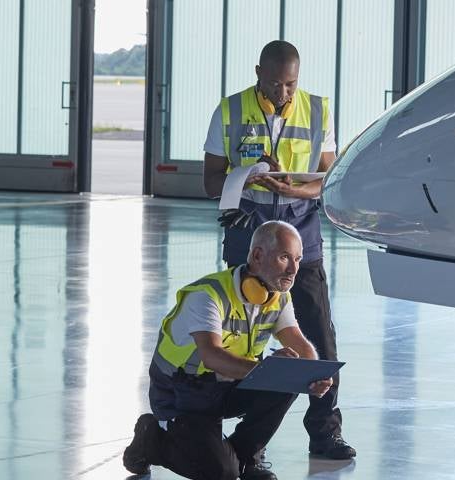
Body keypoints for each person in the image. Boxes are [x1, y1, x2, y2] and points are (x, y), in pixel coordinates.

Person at [201, 40, 355, 460]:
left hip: (300, 233)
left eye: (290, 84)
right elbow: (210, 182)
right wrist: (245, 177)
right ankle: (250, 445)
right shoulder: (230, 111)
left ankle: (325, 433)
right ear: (258, 73)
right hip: (248, 234)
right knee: (242, 341)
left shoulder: (317, 110)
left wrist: (295, 190)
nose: (283, 92)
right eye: (274, 83)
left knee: (319, 337)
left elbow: (328, 180)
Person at [121, 221, 333, 480]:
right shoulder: (208, 295)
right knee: (221, 473)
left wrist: (311, 374)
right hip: (181, 393)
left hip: (225, 387)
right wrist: (269, 370)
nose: (293, 269)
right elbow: (211, 355)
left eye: (298, 259)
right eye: (284, 257)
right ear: (257, 255)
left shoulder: (277, 296)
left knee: (287, 380)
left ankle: (246, 458)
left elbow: (299, 343)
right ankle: (151, 440)